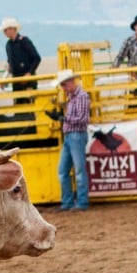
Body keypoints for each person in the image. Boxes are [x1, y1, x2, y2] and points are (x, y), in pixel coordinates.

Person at [45, 70, 89, 212]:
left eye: (64, 85)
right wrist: (62, 118)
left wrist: (63, 118)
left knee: (77, 170)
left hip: (75, 135)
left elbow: (83, 119)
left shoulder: (81, 96)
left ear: (71, 82)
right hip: (71, 135)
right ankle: (69, 202)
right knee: (64, 171)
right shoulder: (73, 97)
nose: (63, 88)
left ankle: (79, 202)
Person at [0, 17, 41, 104]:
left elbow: (36, 58)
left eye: (6, 30)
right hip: (16, 81)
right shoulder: (8, 45)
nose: (4, 32)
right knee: (18, 105)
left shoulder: (24, 41)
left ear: (12, 29)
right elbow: (10, 64)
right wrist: (4, 80)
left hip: (28, 81)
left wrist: (29, 73)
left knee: (30, 104)